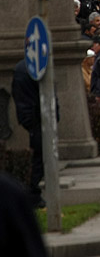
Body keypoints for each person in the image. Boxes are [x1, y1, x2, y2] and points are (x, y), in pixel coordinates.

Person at [11, 58, 45, 208]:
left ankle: (33, 192)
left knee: (39, 155)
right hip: (35, 119)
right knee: (38, 156)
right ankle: (32, 193)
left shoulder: (23, 69)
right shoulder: (29, 69)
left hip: (32, 118)